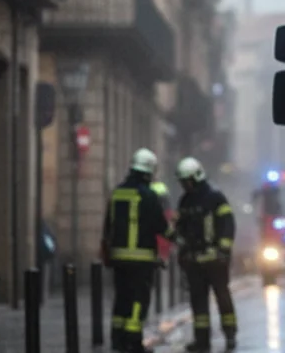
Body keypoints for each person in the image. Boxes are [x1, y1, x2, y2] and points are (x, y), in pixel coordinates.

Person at [101, 148, 176, 353]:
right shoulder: (149, 196)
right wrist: (177, 237)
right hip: (141, 259)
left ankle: (117, 341)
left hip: (119, 258)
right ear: (148, 172)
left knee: (121, 299)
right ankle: (134, 342)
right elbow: (160, 226)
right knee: (138, 302)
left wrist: (108, 250)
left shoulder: (117, 193)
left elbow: (109, 224)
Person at [175, 157, 239, 352]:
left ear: (196, 177)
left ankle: (230, 334)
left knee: (222, 297)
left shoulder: (215, 197)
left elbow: (228, 224)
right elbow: (181, 229)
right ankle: (201, 341)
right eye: (182, 181)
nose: (185, 185)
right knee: (198, 301)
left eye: (187, 181)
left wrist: (223, 250)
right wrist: (183, 252)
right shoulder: (185, 201)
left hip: (215, 259)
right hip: (195, 261)